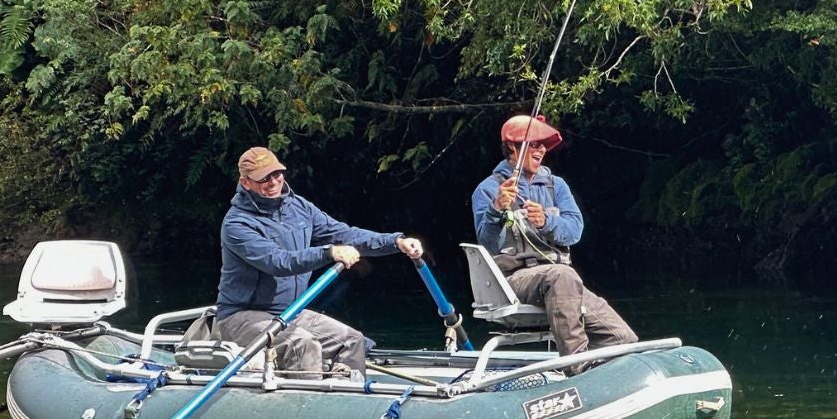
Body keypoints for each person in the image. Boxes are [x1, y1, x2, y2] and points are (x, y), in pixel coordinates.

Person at [215, 145, 424, 379]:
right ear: (245, 183)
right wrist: (328, 252)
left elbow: (345, 234)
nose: (273, 181)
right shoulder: (237, 224)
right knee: (302, 344)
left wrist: (396, 241)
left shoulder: (299, 208)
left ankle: (346, 400)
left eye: (276, 173)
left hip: (288, 312)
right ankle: (307, 406)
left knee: (352, 340)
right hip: (241, 317)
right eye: (264, 178)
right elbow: (278, 262)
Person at [470, 114, 636, 362]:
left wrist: (546, 222)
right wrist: (496, 209)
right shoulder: (487, 189)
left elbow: (575, 231)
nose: (541, 149)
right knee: (563, 274)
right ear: (513, 148)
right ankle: (576, 365)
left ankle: (599, 376)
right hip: (513, 281)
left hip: (561, 282)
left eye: (544, 144)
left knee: (622, 338)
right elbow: (487, 245)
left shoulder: (557, 186)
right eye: (534, 143)